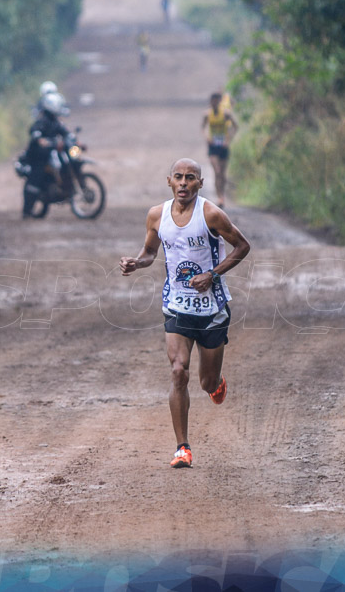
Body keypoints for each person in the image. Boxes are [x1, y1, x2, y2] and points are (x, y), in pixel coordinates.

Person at [119, 158, 251, 468]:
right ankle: (182, 448)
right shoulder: (156, 215)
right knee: (178, 370)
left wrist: (212, 275)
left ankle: (216, 384)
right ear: (169, 181)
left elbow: (242, 247)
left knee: (206, 382)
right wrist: (136, 262)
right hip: (177, 305)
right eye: (178, 177)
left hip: (212, 308)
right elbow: (151, 252)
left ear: (200, 184)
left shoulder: (211, 214)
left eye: (190, 178)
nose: (183, 183)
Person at [22, 92, 71, 218]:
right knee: (35, 180)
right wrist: (41, 140)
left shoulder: (55, 121)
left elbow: (65, 132)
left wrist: (73, 140)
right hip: (38, 156)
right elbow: (35, 132)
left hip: (50, 153)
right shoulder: (42, 120)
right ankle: (27, 210)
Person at [201, 91, 238, 207]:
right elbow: (203, 128)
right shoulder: (207, 114)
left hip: (223, 146)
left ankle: (222, 194)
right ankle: (220, 197)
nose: (215, 103)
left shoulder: (226, 113)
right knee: (217, 171)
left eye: (217, 101)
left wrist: (228, 140)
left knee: (222, 173)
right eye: (213, 101)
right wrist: (207, 137)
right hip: (213, 146)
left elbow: (235, 127)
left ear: (219, 102)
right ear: (211, 102)